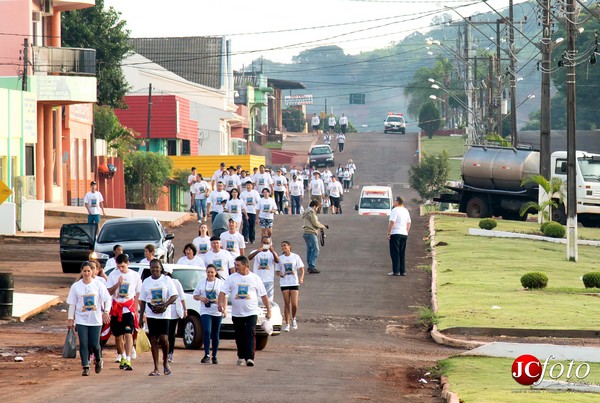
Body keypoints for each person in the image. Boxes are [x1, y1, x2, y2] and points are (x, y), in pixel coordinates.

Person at [218, 255, 271, 367]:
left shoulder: (255, 278)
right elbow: (223, 292)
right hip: (237, 313)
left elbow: (264, 295)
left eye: (238, 265)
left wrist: (268, 310)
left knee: (250, 333)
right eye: (235, 265)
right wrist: (220, 304)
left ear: (245, 265)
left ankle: (250, 357)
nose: (236, 267)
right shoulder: (232, 278)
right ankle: (241, 356)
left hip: (251, 312)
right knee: (239, 335)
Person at [66, 261, 112, 376]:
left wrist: (106, 312)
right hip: (81, 319)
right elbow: (72, 303)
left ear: (92, 271)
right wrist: (71, 318)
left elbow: (107, 299)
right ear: (81, 272)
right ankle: (85, 365)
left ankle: (98, 358)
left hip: (95, 319)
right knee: (83, 343)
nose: (86, 273)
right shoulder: (76, 286)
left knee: (94, 344)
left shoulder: (98, 285)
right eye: (84, 271)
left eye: (88, 271)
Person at [138, 259, 178, 376]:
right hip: (151, 314)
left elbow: (174, 295)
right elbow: (143, 301)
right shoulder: (146, 282)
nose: (155, 269)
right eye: (152, 267)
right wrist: (140, 318)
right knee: (154, 339)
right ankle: (156, 367)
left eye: (157, 267)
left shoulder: (167, 280)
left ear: (161, 268)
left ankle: (165, 362)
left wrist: (164, 306)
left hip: (164, 314)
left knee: (164, 339)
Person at [106, 254, 142, 371]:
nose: (121, 269)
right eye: (119, 267)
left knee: (128, 332)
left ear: (128, 264)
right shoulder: (113, 275)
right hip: (116, 308)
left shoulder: (135, 275)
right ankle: (121, 356)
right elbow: (109, 292)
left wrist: (136, 309)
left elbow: (138, 293)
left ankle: (128, 358)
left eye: (123, 266)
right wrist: (118, 284)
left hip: (128, 308)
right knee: (118, 336)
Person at [193, 264, 226, 364]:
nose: (210, 274)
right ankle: (206, 354)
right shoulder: (201, 282)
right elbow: (195, 295)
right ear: (206, 272)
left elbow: (225, 296)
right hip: (205, 311)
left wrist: (222, 307)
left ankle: (214, 356)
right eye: (208, 272)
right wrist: (201, 298)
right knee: (207, 331)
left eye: (212, 272)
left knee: (215, 333)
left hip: (216, 311)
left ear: (215, 273)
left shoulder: (220, 283)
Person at [276, 241, 304, 332]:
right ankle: (287, 324)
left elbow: (301, 268)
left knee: (294, 304)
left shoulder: (295, 257)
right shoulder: (280, 258)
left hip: (294, 282)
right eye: (282, 246)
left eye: (285, 245)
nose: (283, 247)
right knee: (286, 303)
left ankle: (294, 318)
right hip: (284, 282)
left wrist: (301, 278)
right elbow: (277, 270)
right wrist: (280, 274)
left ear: (289, 246)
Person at [163, 265, 187, 364]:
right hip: (164, 310)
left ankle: (170, 353)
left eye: (167, 274)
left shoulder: (176, 282)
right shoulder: (161, 282)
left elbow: (181, 296)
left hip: (174, 310)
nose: (165, 275)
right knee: (165, 333)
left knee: (171, 333)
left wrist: (185, 309)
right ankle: (165, 352)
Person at [247, 236, 279, 302]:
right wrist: (258, 251)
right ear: (261, 243)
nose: (265, 245)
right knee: (257, 300)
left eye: (267, 243)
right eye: (264, 243)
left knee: (269, 300)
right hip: (257, 280)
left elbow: (277, 261)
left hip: (269, 280)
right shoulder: (255, 251)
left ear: (270, 244)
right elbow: (249, 258)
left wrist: (273, 252)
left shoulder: (272, 253)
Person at [387, 196, 411, 277]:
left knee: (395, 253)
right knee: (402, 253)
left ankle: (396, 271)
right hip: (404, 233)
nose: (393, 202)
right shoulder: (406, 210)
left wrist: (389, 232)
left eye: (394, 201)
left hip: (395, 233)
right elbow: (409, 223)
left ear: (397, 202)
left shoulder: (395, 210)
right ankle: (402, 271)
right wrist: (406, 232)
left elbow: (392, 222)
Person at [302, 200, 328, 274]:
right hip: (311, 232)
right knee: (316, 249)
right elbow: (315, 223)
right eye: (317, 207)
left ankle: (310, 266)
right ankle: (312, 266)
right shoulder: (311, 212)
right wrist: (323, 226)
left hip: (306, 232)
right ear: (314, 206)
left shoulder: (306, 211)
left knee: (309, 249)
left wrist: (322, 225)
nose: (317, 209)